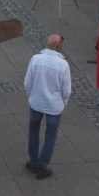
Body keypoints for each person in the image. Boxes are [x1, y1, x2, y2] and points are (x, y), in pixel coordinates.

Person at [23, 33, 72, 180]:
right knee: (50, 135)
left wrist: (32, 96)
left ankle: (33, 161)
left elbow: (27, 83)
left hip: (36, 102)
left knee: (33, 131)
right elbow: (66, 90)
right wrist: (63, 102)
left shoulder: (36, 59)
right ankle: (42, 166)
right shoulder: (63, 65)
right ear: (59, 46)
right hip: (54, 106)